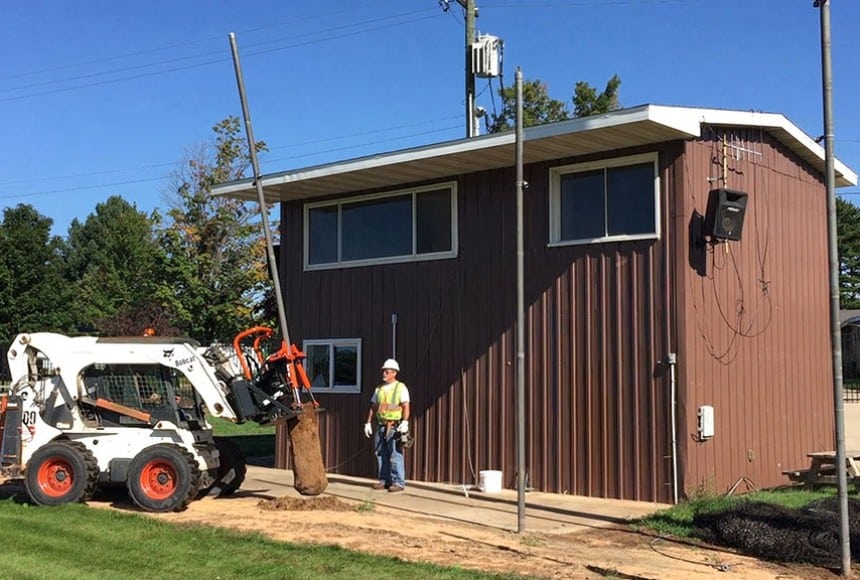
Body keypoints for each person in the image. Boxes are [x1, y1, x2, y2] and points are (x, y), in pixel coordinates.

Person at [364, 358, 410, 492]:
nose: (384, 373)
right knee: (380, 453)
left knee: (395, 454)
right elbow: (373, 407)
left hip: (394, 426)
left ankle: (398, 482)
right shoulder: (379, 389)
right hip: (381, 425)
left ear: (394, 373)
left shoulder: (400, 388)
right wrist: (368, 423)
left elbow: (406, 406)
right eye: (383, 371)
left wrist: (405, 422)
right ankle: (384, 480)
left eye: (387, 371)